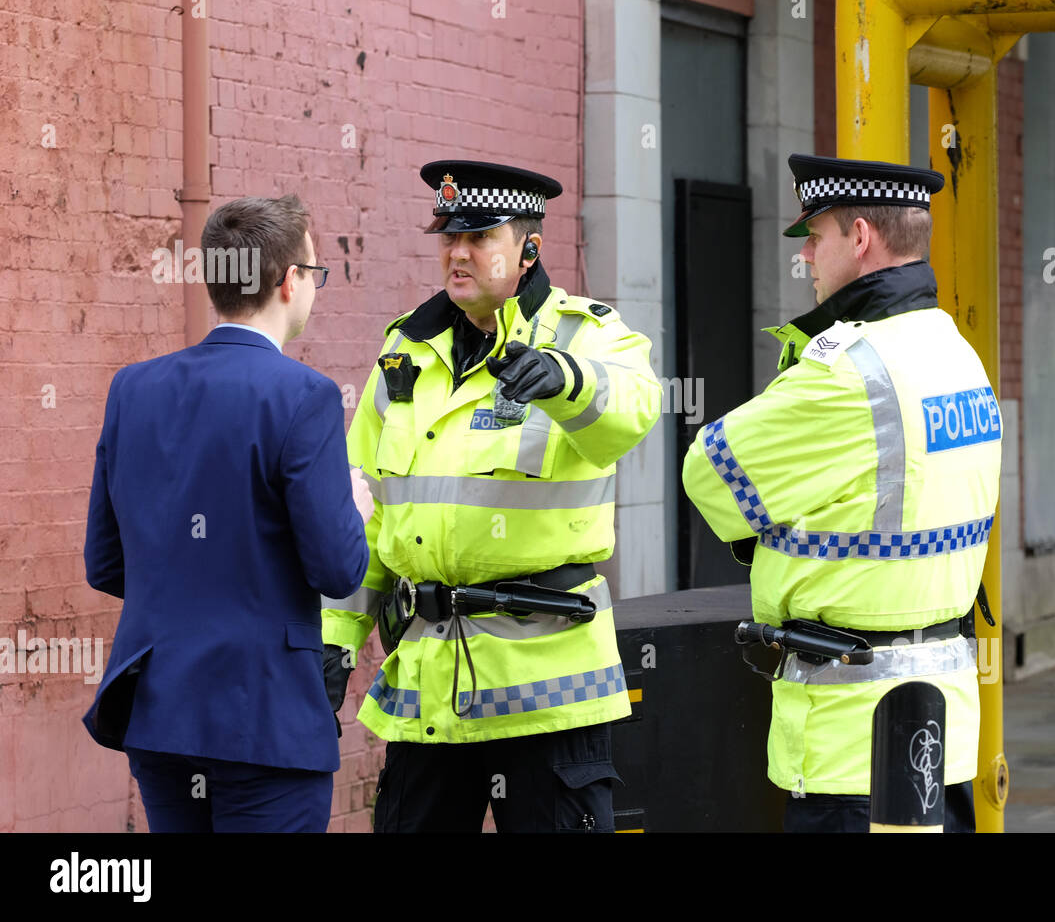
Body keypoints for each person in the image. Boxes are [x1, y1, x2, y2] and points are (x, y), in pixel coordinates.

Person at [322, 160, 661, 832]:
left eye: (479, 236)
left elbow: (636, 406)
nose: (457, 252)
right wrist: (334, 638)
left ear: (529, 247)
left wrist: (566, 380)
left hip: (546, 694)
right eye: (447, 235)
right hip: (429, 690)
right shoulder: (405, 352)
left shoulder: (584, 335)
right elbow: (364, 511)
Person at [681, 153, 1002, 832]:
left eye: (815, 237)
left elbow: (706, 469)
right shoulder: (957, 353)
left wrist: (771, 526)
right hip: (940, 729)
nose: (806, 259)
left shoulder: (845, 372)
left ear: (860, 238)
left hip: (853, 744)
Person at [83, 194, 373, 832]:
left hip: (160, 709)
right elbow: (338, 570)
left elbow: (105, 563)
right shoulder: (306, 398)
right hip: (265, 715)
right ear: (286, 281)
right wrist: (351, 510)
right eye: (314, 273)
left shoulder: (133, 389)